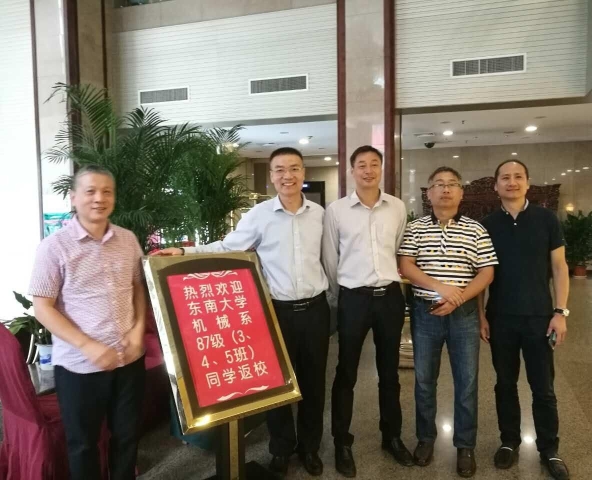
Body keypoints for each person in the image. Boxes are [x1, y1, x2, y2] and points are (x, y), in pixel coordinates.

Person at [153, 147, 330, 477]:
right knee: (278, 385)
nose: (287, 176)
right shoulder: (260, 215)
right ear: (272, 176)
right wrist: (183, 251)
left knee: (314, 383)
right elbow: (227, 246)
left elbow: (329, 258)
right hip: (276, 312)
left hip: (316, 310)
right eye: (280, 170)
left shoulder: (320, 214)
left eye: (294, 168)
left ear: (303, 172)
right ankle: (281, 448)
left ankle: (310, 447)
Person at [28, 165, 147, 480]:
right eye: (90, 191)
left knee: (127, 438)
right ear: (73, 197)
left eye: (107, 192)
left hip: (128, 358)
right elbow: (42, 307)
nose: (99, 198)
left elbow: (138, 287)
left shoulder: (128, 239)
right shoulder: (54, 247)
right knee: (83, 445)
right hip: (79, 365)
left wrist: (137, 333)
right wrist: (88, 346)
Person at [398, 166, 497, 478]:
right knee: (424, 381)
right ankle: (425, 438)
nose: (445, 189)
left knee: (466, 382)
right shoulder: (415, 228)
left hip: (464, 315)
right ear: (428, 193)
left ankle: (465, 445)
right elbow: (406, 265)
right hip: (425, 312)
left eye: (452, 184)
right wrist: (441, 289)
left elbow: (487, 272)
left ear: (461, 192)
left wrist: (458, 298)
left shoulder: (476, 229)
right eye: (438, 184)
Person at [322, 145, 412, 478]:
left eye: (374, 164)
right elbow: (330, 258)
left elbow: (399, 247)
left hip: (389, 298)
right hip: (353, 299)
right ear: (352, 171)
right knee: (346, 372)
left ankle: (392, 437)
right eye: (362, 165)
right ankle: (342, 442)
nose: (368, 170)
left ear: (381, 169)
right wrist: (341, 294)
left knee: (390, 373)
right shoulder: (336, 211)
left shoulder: (397, 207)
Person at [480, 160, 570, 480]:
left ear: (528, 183)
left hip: (539, 318)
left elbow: (559, 267)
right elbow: (481, 274)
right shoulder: (487, 224)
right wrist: (481, 315)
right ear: (496, 186)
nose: (512, 182)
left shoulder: (546, 219)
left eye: (518, 176)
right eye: (505, 177)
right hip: (500, 317)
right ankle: (509, 441)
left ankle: (549, 449)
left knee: (543, 387)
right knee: (505, 384)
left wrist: (560, 312)